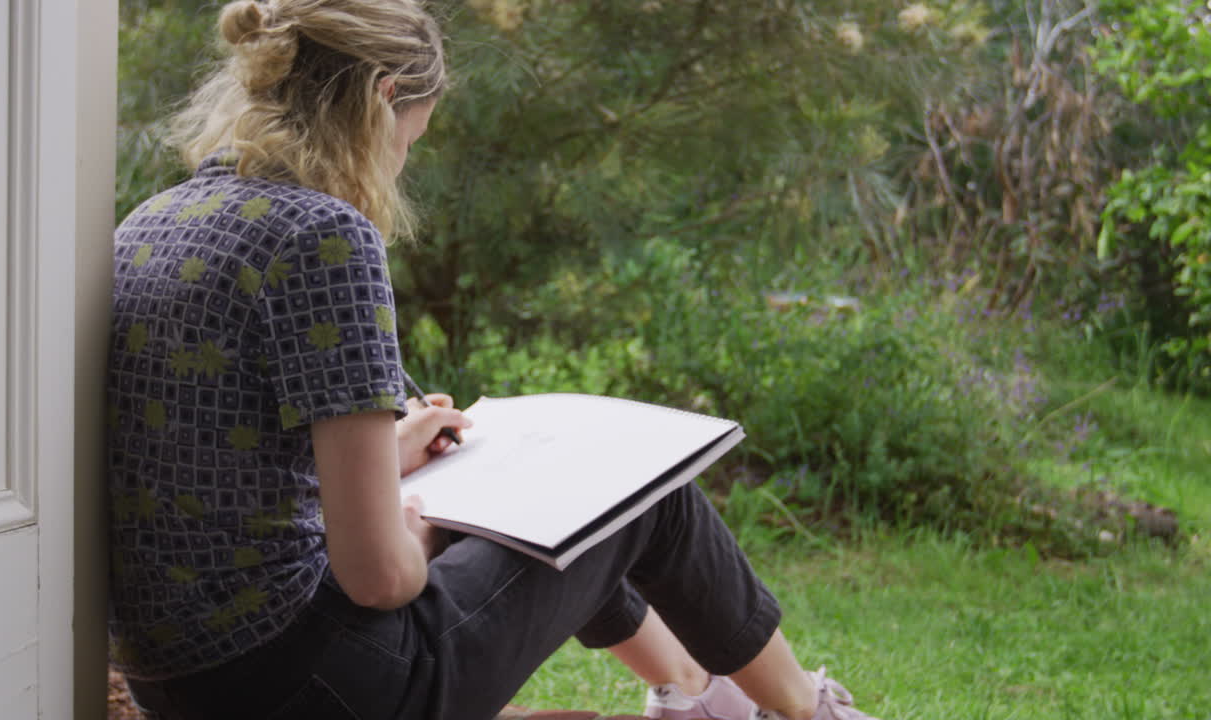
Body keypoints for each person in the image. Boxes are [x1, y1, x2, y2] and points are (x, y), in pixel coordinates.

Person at [106, 2, 883, 719]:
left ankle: (694, 692)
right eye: (410, 140)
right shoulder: (322, 235)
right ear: (381, 99)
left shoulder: (152, 222)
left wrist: (393, 455)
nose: (399, 165)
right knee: (646, 495)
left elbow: (211, 476)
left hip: (180, 683)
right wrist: (421, 536)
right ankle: (804, 711)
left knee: (563, 513)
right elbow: (380, 576)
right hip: (319, 683)